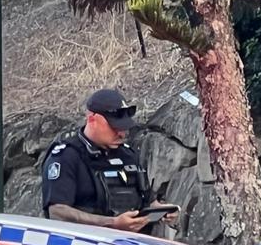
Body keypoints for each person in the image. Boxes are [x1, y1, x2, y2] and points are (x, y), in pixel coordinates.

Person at [40, 88, 179, 233]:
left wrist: (163, 211)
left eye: (125, 128)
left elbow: (147, 202)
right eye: (114, 127)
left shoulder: (128, 155)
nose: (122, 134)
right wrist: (111, 223)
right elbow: (57, 212)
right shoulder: (67, 156)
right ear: (92, 119)